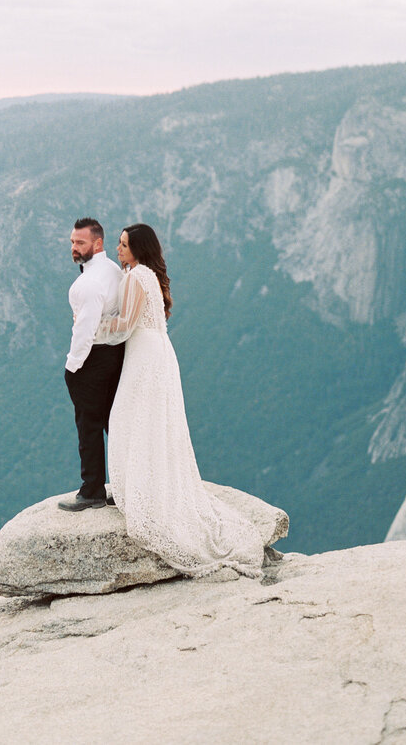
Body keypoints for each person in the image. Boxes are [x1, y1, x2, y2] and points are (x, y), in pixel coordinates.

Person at [95, 223, 268, 576]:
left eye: (124, 244)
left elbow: (126, 325)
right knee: (155, 420)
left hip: (144, 355)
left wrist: (92, 328)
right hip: (160, 353)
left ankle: (142, 488)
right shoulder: (151, 276)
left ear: (138, 249)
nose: (118, 249)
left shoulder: (134, 276)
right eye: (118, 243)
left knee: (130, 416)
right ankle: (155, 480)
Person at [58, 217, 125, 512]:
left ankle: (92, 489)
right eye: (73, 242)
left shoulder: (87, 283)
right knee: (114, 422)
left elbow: (84, 331)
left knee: (88, 424)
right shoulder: (112, 270)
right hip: (115, 355)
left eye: (80, 243)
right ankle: (125, 487)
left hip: (93, 358)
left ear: (97, 244)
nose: (74, 248)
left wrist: (73, 367)